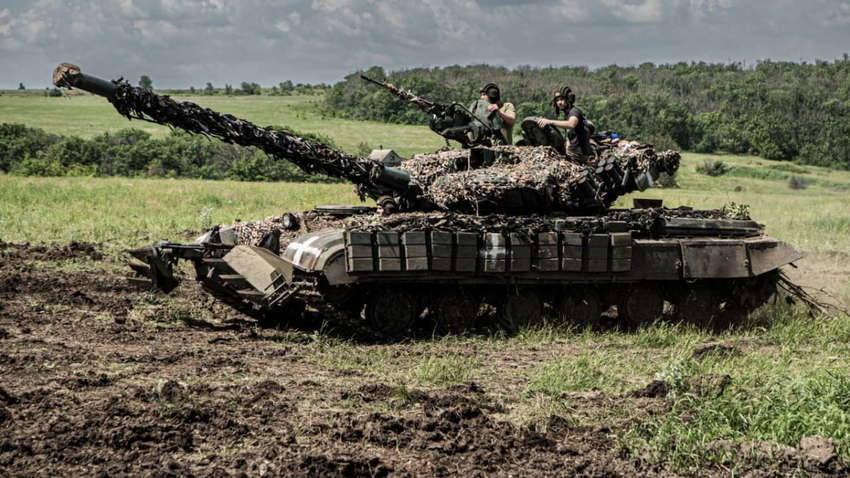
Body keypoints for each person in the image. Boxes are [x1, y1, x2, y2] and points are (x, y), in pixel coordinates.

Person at [536, 86, 592, 160]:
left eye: (562, 99)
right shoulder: (567, 114)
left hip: (579, 155)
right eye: (557, 100)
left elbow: (571, 124)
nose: (559, 102)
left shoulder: (574, 111)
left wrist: (550, 121)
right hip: (573, 153)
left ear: (568, 99)